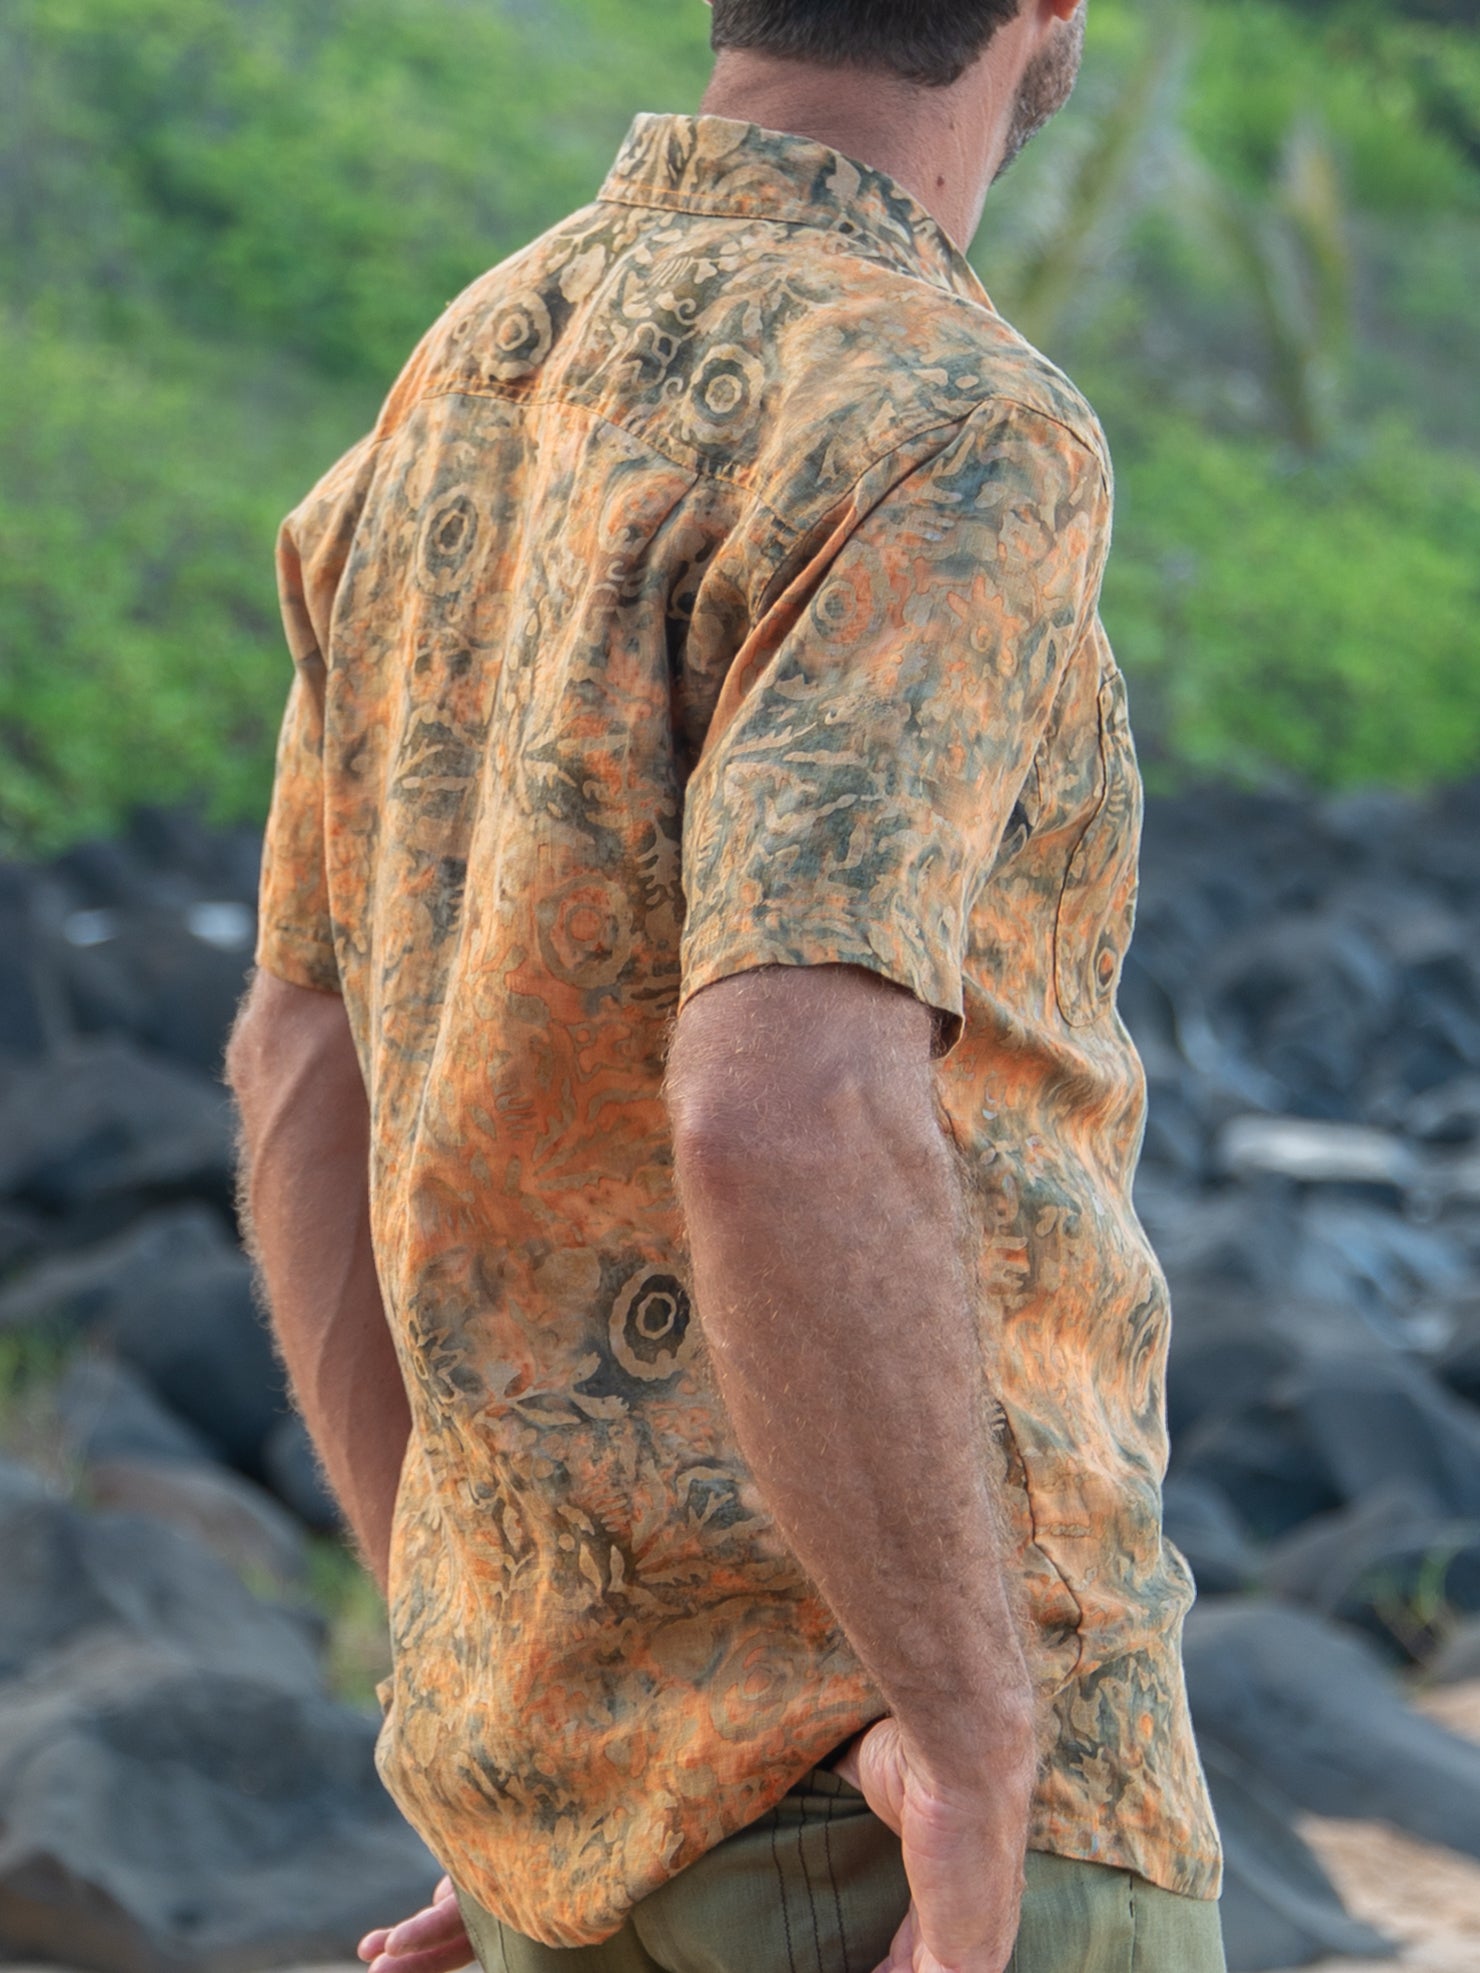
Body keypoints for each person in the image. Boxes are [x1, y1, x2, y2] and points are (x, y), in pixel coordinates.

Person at [226, 2, 1226, 1969]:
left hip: (569, 1838)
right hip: (893, 1822)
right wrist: (968, 1732)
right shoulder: (949, 417)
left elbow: (302, 1060)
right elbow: (779, 1100)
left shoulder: (459, 389)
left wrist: (496, 1725)